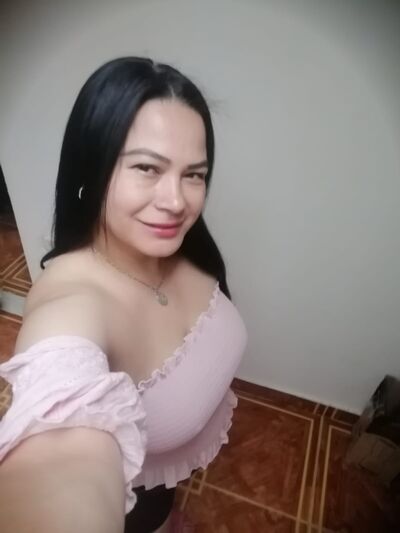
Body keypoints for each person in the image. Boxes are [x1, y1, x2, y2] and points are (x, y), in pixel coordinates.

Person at [0, 57, 247, 533]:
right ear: (90, 169)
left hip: (162, 486)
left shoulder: (179, 245)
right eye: (147, 168)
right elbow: (60, 450)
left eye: (194, 174)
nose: (177, 202)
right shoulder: (70, 304)